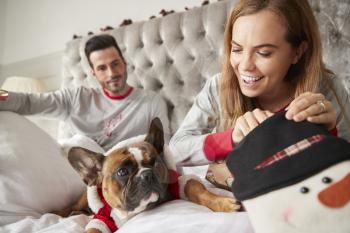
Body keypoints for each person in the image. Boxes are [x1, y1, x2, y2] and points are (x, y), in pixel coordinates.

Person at [169, 0, 350, 166]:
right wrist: (231, 139)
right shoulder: (217, 87)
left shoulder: (327, 89)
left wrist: (329, 134)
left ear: (298, 52)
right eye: (237, 49)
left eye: (263, 53)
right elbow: (174, 153)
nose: (245, 66)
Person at [0, 34, 169, 151]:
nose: (112, 73)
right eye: (102, 68)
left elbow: (163, 147)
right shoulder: (75, 98)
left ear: (124, 63)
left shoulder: (151, 101)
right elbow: (27, 102)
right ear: (93, 73)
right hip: (77, 175)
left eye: (115, 63)